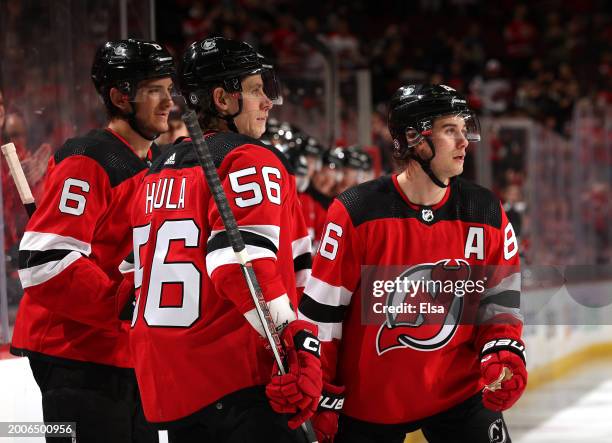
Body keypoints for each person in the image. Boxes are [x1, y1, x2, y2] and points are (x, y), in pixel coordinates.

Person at [299, 84, 527, 443]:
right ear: (414, 138)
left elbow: (499, 302)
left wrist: (502, 349)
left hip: (458, 392)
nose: (464, 141)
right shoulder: (356, 211)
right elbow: (323, 315)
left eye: (464, 129)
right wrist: (323, 394)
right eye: (450, 130)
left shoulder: (485, 211)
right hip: (371, 400)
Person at [128, 36, 322, 443]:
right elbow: (239, 262)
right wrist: (294, 342)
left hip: (172, 386)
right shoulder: (248, 157)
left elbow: (132, 278)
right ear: (221, 98)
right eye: (256, 90)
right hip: (237, 381)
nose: (268, 101)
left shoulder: (155, 170)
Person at [10, 38, 176, 443]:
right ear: (120, 97)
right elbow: (43, 262)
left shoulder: (153, 163)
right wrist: (126, 301)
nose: (168, 102)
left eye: (169, 90)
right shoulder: (89, 159)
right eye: (154, 90)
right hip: (76, 356)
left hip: (123, 352)